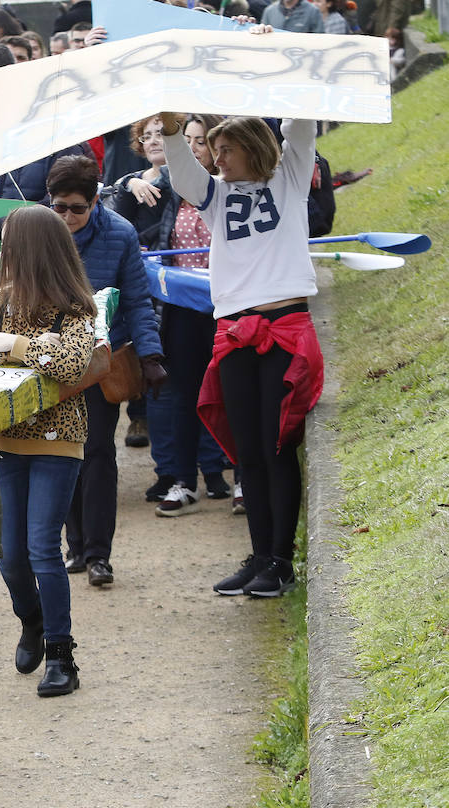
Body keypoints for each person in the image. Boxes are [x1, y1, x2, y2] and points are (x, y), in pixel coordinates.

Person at [160, 33, 325, 598]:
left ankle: (283, 559)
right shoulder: (212, 195)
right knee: (247, 452)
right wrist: (165, 124)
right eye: (215, 150)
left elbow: (300, 121)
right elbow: (182, 168)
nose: (217, 157)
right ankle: (258, 555)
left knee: (278, 446)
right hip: (233, 330)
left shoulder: (290, 176)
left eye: (225, 150)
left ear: (252, 148)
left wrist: (272, 52)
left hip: (283, 328)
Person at [0, 206, 97, 697]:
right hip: (5, 441)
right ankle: (31, 621)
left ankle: (62, 655)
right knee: (10, 556)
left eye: (9, 241)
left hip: (59, 442)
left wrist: (13, 343)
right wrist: (35, 346)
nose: (1, 249)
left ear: (30, 249)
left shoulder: (76, 306)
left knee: (42, 549)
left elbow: (72, 362)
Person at [45, 155, 165, 588]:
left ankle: (98, 553)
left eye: (78, 208)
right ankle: (73, 544)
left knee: (97, 452)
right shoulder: (39, 231)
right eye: (59, 207)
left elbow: (137, 298)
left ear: (96, 201)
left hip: (101, 357)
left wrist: (150, 356)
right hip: (50, 358)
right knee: (61, 451)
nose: (68, 217)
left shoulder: (120, 233)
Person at [109, 115, 234, 514]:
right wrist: (129, 182)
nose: (194, 149)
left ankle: (224, 472)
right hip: (178, 309)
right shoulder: (166, 187)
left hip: (227, 305)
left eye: (202, 142)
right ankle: (181, 478)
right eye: (189, 141)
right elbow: (115, 202)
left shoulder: (229, 191)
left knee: (225, 389)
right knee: (178, 392)